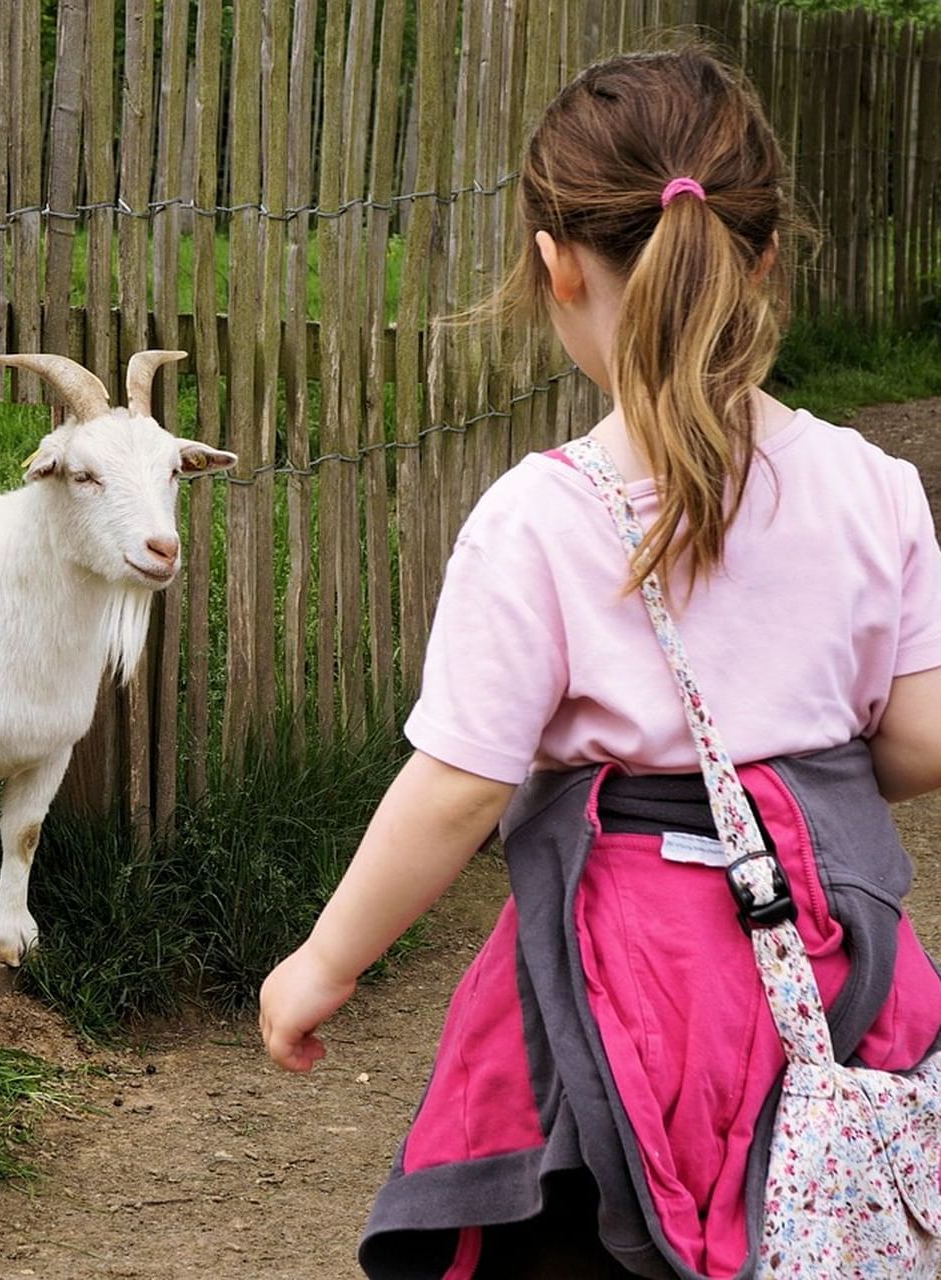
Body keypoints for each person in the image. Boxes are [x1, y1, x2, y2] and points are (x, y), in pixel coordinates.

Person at [259, 47, 941, 1280]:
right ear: (768, 253)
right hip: (837, 971)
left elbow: (458, 786)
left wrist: (326, 959)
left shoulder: (542, 517)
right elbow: (919, 742)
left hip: (621, 993)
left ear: (553, 264)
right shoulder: (873, 487)